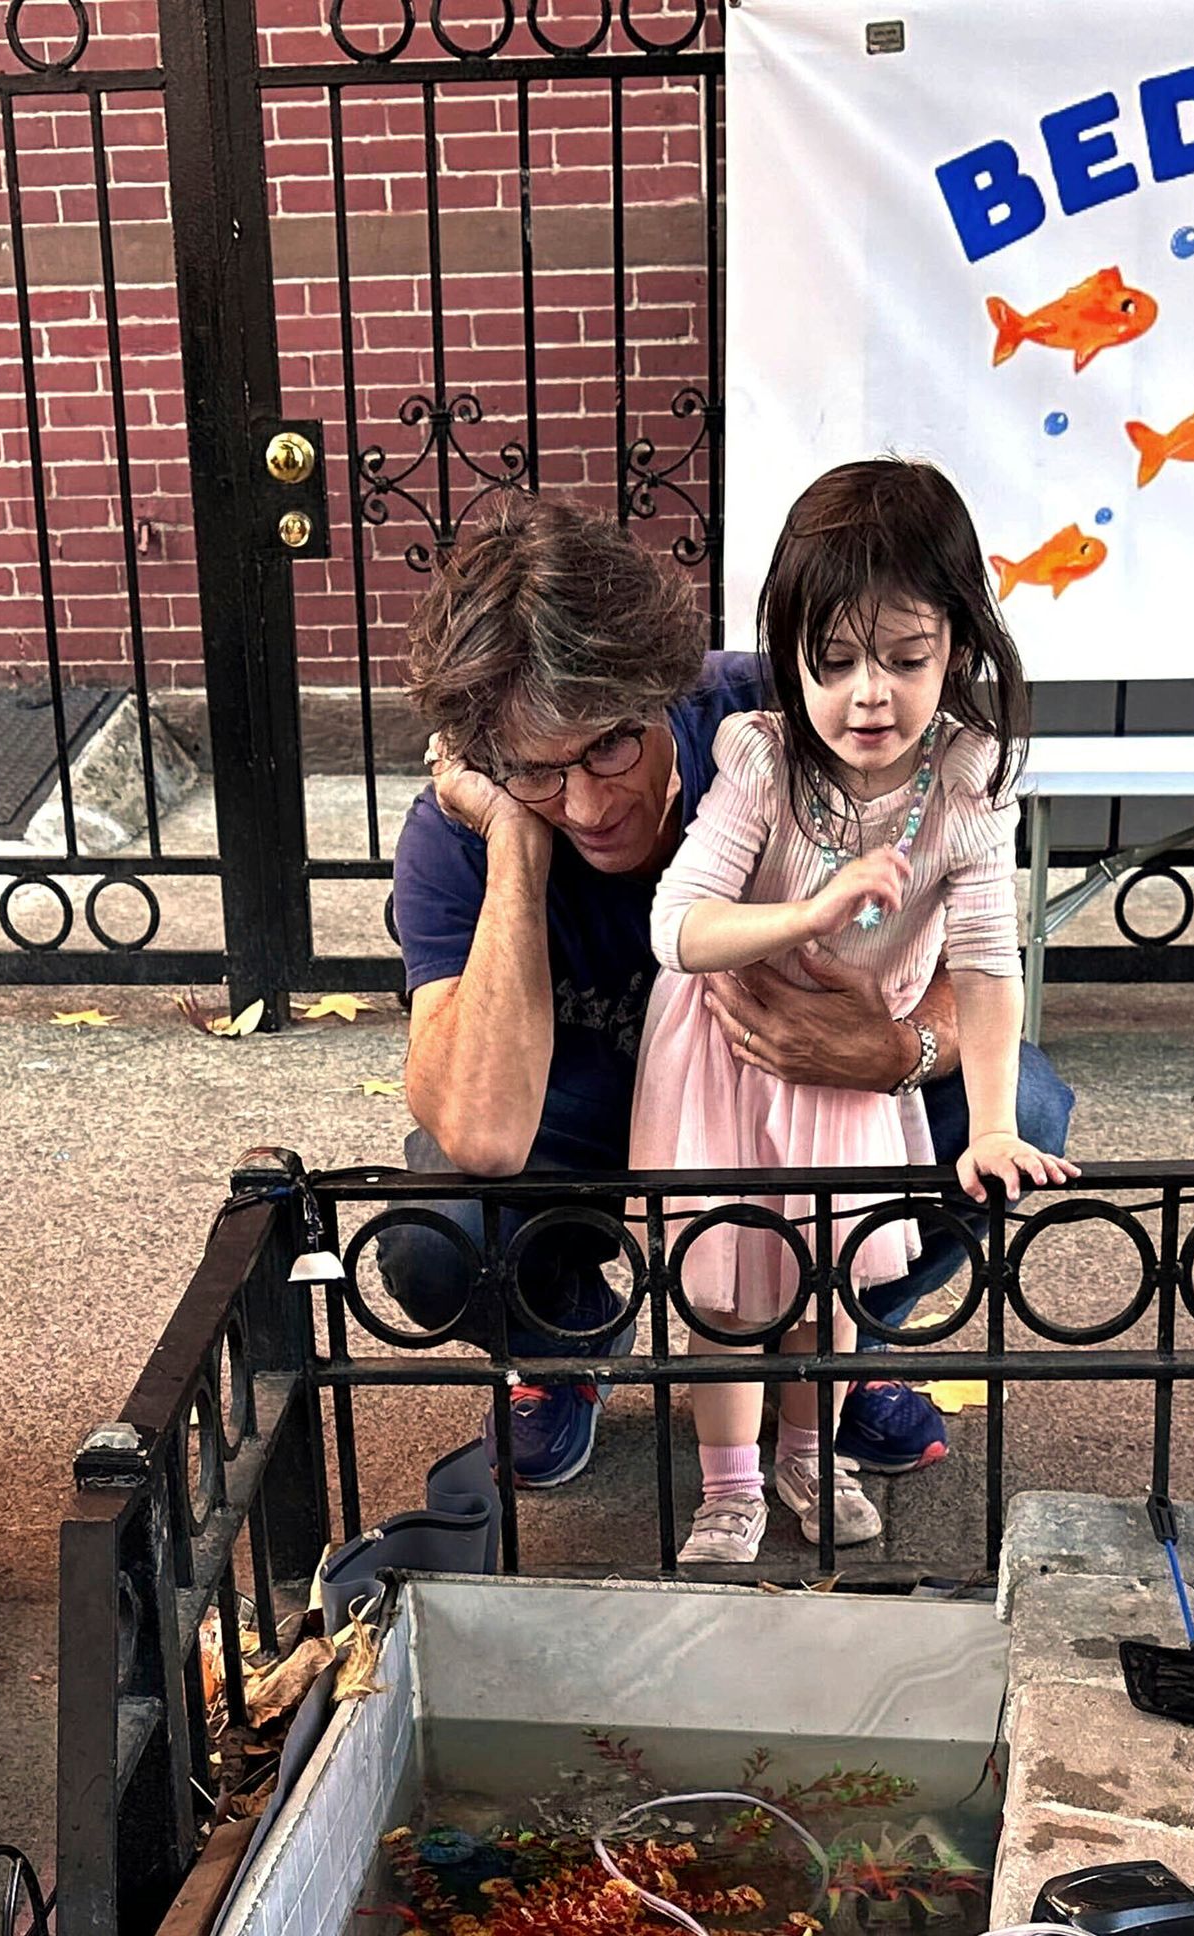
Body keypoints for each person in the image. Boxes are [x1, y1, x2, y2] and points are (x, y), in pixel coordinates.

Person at [385, 495, 1076, 1487]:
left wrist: (898, 1049)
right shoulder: (461, 831)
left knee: (1026, 1113)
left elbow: (971, 948)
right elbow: (482, 1132)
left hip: (801, 1096)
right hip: (591, 1116)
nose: (586, 802)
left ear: (664, 687)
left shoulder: (793, 718)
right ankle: (567, 1344)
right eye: (538, 769)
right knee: (434, 1237)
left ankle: (839, 1344)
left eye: (610, 746)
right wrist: (516, 847)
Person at [635, 460, 1078, 1564]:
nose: (866, 695)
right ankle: (728, 1486)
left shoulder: (969, 784)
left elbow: (983, 965)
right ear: (788, 655)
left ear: (960, 649)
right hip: (730, 1053)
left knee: (828, 1272)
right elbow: (676, 925)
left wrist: (988, 1127)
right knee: (732, 1280)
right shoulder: (763, 759)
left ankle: (809, 1450)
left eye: (905, 658)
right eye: (831, 663)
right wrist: (809, 912)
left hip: (845, 1062)